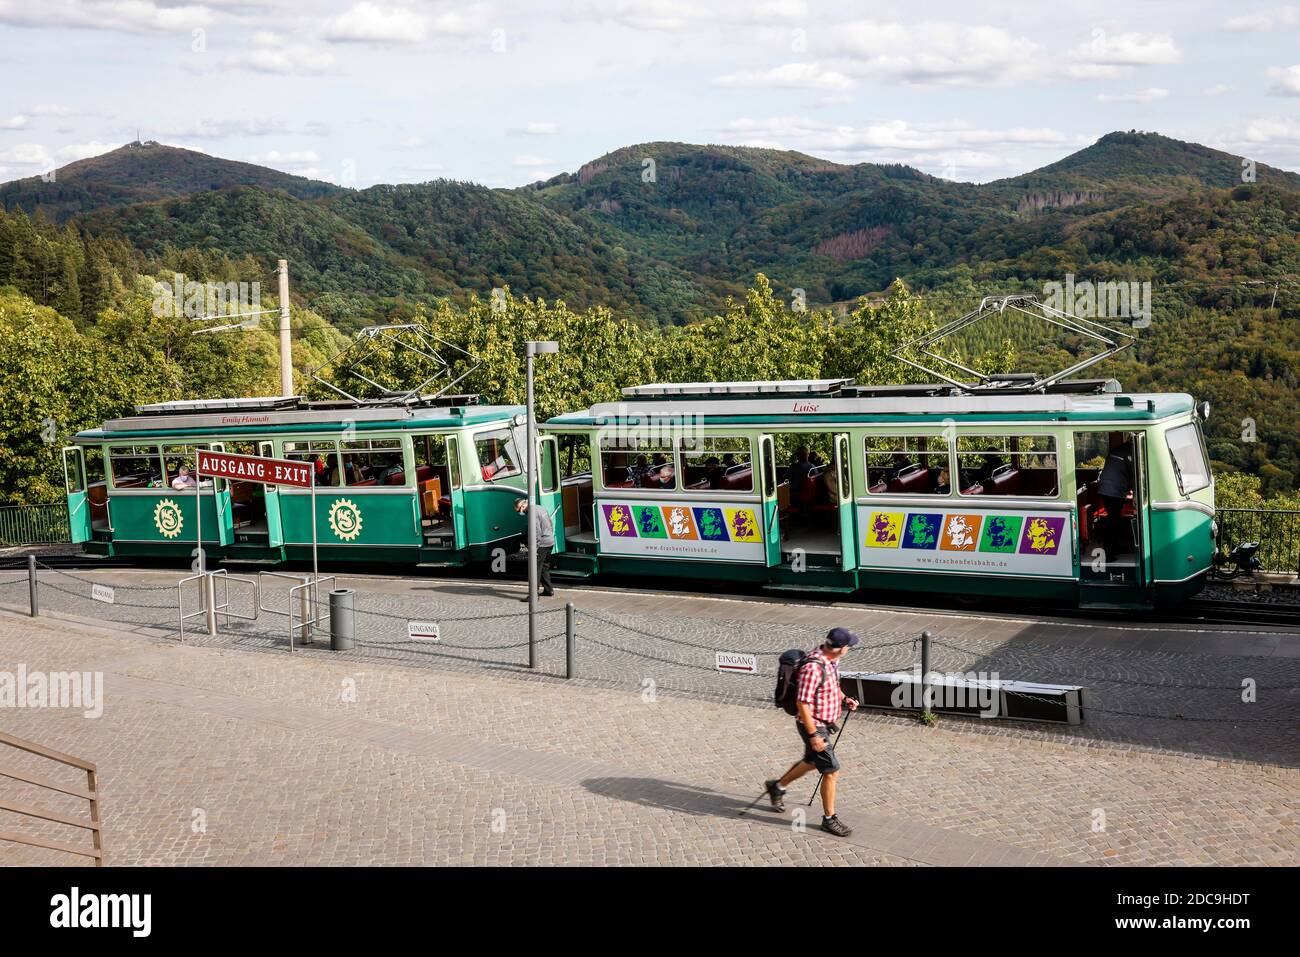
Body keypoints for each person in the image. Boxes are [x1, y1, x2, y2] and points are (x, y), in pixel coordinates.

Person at [765, 628, 860, 837]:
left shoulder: (830, 660)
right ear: (841, 648)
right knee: (831, 770)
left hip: (822, 724)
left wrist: (845, 699)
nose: (849, 649)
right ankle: (829, 819)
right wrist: (814, 735)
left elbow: (831, 686)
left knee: (810, 762)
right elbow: (802, 703)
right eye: (848, 646)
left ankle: (777, 787)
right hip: (814, 726)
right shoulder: (814, 668)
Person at [1098, 432, 1134, 556]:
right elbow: (1133, 473)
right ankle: (1109, 552)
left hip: (1104, 488)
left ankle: (1115, 548)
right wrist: (1131, 488)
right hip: (1113, 490)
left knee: (1114, 518)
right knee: (1114, 520)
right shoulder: (1130, 453)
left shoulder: (1119, 449)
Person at [515, 498, 555, 599]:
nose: (520, 512)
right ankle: (548, 590)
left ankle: (533, 595)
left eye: (518, 510)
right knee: (544, 566)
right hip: (550, 541)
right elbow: (550, 523)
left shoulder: (532, 513)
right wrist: (550, 536)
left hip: (542, 544)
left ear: (522, 506)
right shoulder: (540, 508)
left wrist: (535, 548)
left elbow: (536, 531)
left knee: (534, 569)